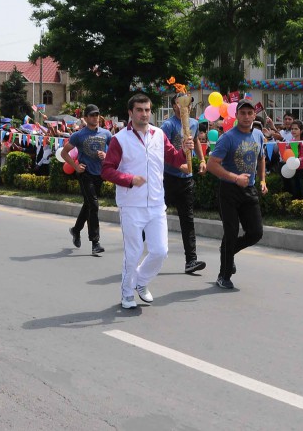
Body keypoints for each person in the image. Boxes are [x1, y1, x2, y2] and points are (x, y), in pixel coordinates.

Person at [101, 94, 194, 309]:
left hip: (156, 203)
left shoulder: (159, 135)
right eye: (140, 110)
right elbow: (107, 170)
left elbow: (174, 159)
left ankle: (141, 281)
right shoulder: (120, 139)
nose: (144, 113)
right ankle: (126, 294)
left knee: (160, 251)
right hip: (131, 204)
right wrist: (129, 180)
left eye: (147, 110)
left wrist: (185, 151)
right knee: (133, 253)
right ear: (130, 113)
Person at [207, 99, 268, 289]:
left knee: (256, 233)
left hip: (249, 190)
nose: (247, 117)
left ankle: (228, 251)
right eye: (243, 113)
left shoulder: (258, 135)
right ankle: (223, 276)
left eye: (250, 113)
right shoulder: (228, 138)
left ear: (254, 116)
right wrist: (234, 178)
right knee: (231, 232)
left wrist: (263, 180)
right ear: (237, 115)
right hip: (229, 190)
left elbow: (261, 157)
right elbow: (211, 165)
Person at [160, 94, 207, 274]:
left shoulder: (193, 123)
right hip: (168, 177)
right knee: (154, 216)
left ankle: (191, 261)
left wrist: (201, 160)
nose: (185, 107)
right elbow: (161, 149)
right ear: (174, 106)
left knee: (187, 220)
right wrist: (178, 164)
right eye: (181, 104)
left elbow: (195, 141)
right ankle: (135, 251)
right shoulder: (168, 125)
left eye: (188, 104)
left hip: (186, 179)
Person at [62, 104, 112, 255]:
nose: (95, 117)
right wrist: (75, 167)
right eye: (92, 115)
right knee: (94, 205)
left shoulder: (106, 134)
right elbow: (64, 153)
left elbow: (116, 153)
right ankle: (95, 242)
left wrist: (107, 156)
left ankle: (76, 230)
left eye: (97, 114)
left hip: (99, 174)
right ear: (85, 118)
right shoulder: (78, 135)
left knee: (89, 205)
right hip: (85, 173)